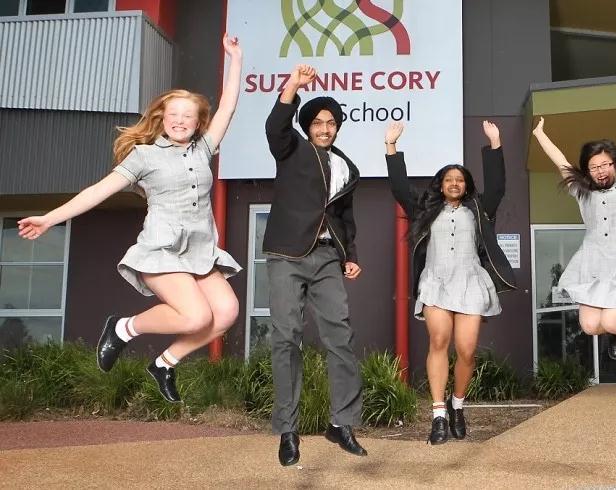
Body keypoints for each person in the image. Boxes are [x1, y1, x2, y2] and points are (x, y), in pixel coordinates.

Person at [18, 34, 245, 402]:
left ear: (198, 121)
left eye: (188, 116)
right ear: (162, 118)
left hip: (200, 250)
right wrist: (49, 218)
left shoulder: (203, 148)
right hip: (162, 250)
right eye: (174, 115)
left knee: (226, 312)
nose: (180, 121)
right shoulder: (143, 156)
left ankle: (165, 363)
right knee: (195, 317)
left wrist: (235, 58)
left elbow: (229, 107)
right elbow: (98, 191)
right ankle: (123, 328)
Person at [384, 121, 517, 445]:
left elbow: (497, 187)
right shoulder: (425, 210)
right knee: (439, 340)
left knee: (467, 351)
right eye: (448, 179)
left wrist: (495, 143)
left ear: (466, 185)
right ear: (440, 185)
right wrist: (391, 147)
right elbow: (400, 189)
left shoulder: (479, 209)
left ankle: (458, 404)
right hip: (437, 282)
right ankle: (439, 414)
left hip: (470, 282)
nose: (454, 183)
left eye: (460, 179)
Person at [264, 64, 366, 466]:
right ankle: (288, 430)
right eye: (318, 123)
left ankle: (342, 423)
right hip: (287, 253)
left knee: (340, 335)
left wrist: (350, 255)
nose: (325, 129)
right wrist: (292, 85)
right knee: (286, 337)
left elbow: (344, 217)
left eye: (331, 123)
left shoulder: (347, 167)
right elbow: (276, 125)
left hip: (326, 257)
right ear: (307, 127)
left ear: (338, 127)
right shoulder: (291, 149)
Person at [531, 93, 616, 371]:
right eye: (594, 167)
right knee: (591, 325)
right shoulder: (582, 192)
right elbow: (561, 162)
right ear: (588, 171)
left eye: (605, 164)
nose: (600, 171)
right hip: (593, 264)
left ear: (615, 165)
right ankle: (615, 333)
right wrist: (539, 134)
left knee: (613, 321)